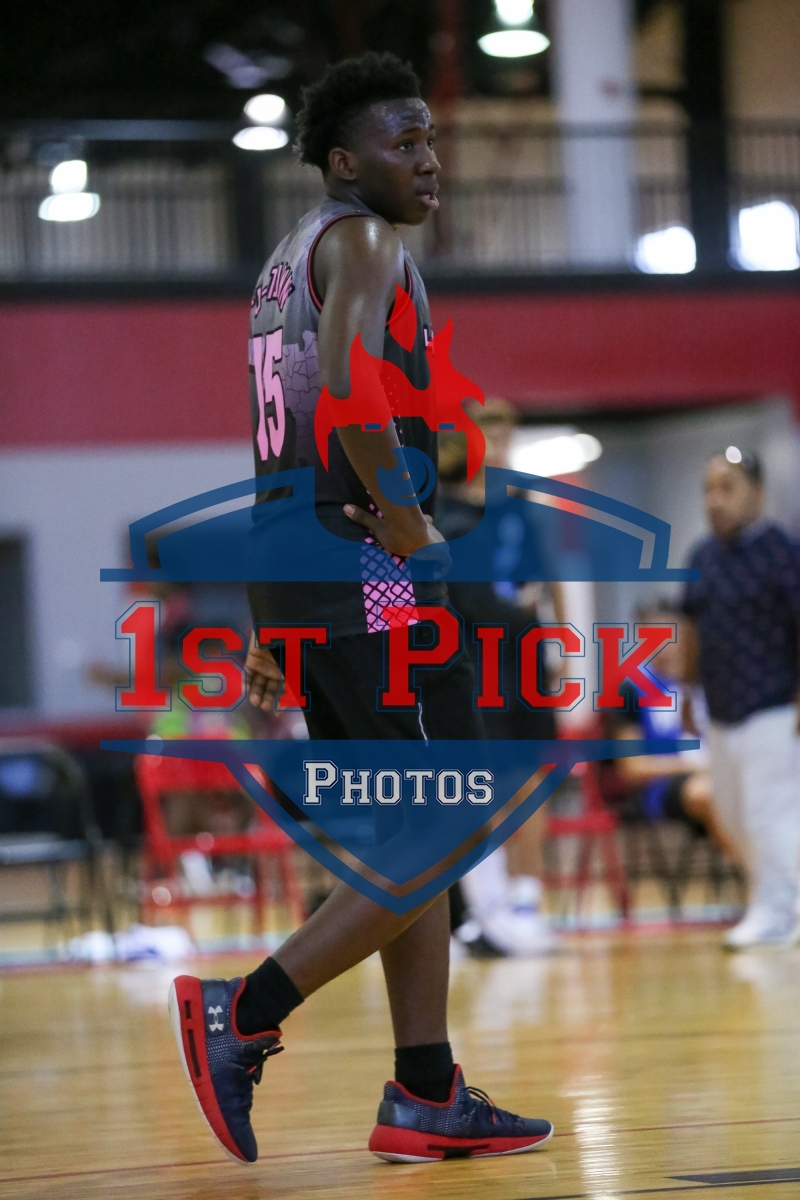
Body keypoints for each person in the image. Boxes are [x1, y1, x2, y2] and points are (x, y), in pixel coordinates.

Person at [168, 53, 553, 1165]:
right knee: (450, 819)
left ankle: (425, 1092)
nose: (428, 159)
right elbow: (343, 395)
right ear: (345, 162)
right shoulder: (369, 243)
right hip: (365, 561)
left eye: (431, 139)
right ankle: (244, 1010)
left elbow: (279, 438)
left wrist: (272, 616)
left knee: (405, 828)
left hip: (300, 560)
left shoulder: (285, 263)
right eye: (404, 141)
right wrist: (413, 529)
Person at [436, 406, 560, 956]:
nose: (500, 443)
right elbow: (471, 601)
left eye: (506, 433)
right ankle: (483, 910)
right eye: (489, 433)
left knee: (529, 778)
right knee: (481, 786)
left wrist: (554, 643)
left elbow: (543, 583)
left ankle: (526, 901)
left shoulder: (519, 505)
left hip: (523, 660)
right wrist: (516, 610)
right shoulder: (446, 512)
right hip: (473, 664)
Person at [682, 450, 800, 950]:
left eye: (727, 488)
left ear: (756, 492)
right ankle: (777, 899)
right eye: (709, 489)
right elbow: (690, 627)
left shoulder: (782, 551)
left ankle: (778, 910)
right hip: (721, 709)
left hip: (774, 707)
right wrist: (687, 692)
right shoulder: (703, 556)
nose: (715, 500)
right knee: (730, 814)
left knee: (768, 812)